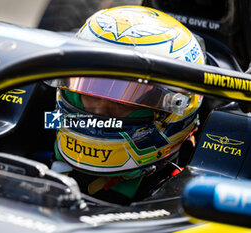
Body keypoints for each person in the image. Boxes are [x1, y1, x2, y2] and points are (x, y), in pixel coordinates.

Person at [46, 5, 205, 205]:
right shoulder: (35, 131)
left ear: (177, 106)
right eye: (88, 90)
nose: (100, 110)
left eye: (123, 100)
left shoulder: (194, 193)